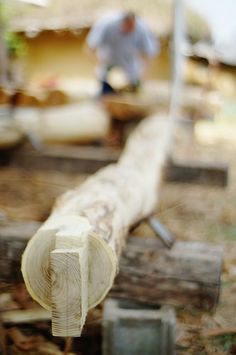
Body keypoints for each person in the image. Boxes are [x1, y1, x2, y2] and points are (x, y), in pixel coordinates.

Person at [87, 11, 159, 94]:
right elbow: (90, 47)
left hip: (131, 73)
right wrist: (98, 64)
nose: (130, 30)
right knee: (106, 97)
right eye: (127, 26)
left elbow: (150, 54)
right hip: (107, 71)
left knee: (131, 99)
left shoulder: (142, 29)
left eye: (132, 27)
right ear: (122, 22)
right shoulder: (107, 24)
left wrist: (144, 74)